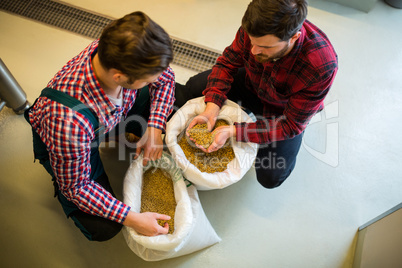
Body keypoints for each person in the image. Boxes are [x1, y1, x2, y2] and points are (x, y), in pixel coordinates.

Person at [25, 11, 175, 241]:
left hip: (106, 117)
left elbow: (166, 78)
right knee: (104, 228)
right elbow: (77, 187)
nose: (154, 81)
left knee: (172, 104)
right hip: (74, 139)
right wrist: (134, 218)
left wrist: (155, 128)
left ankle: (128, 127)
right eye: (147, 79)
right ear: (119, 77)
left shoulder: (116, 49)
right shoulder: (68, 123)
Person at [175, 0, 338, 189]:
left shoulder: (320, 65)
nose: (254, 51)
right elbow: (227, 63)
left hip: (283, 109)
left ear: (293, 38)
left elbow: (290, 125)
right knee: (195, 86)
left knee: (271, 175)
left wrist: (235, 131)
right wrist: (212, 107)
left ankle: (304, 115)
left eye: (266, 47)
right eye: (253, 42)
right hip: (253, 82)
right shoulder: (256, 26)